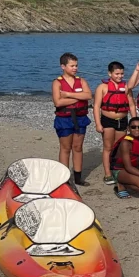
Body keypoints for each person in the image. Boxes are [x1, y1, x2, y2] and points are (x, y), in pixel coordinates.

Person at [52, 53, 92, 186]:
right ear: (63, 66)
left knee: (78, 147)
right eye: (72, 66)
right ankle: (64, 179)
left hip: (80, 118)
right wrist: (79, 97)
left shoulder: (82, 81)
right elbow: (58, 102)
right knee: (65, 148)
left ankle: (78, 178)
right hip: (64, 119)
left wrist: (69, 95)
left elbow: (88, 95)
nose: (75, 68)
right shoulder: (57, 82)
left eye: (76, 65)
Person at [94, 61, 137, 185]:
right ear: (110, 73)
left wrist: (134, 122)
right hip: (107, 120)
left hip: (122, 120)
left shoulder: (126, 88)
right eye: (117, 74)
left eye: (122, 74)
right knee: (108, 147)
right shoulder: (102, 87)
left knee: (119, 147)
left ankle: (117, 170)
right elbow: (96, 106)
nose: (120, 76)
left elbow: (132, 106)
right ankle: (107, 174)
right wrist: (98, 124)